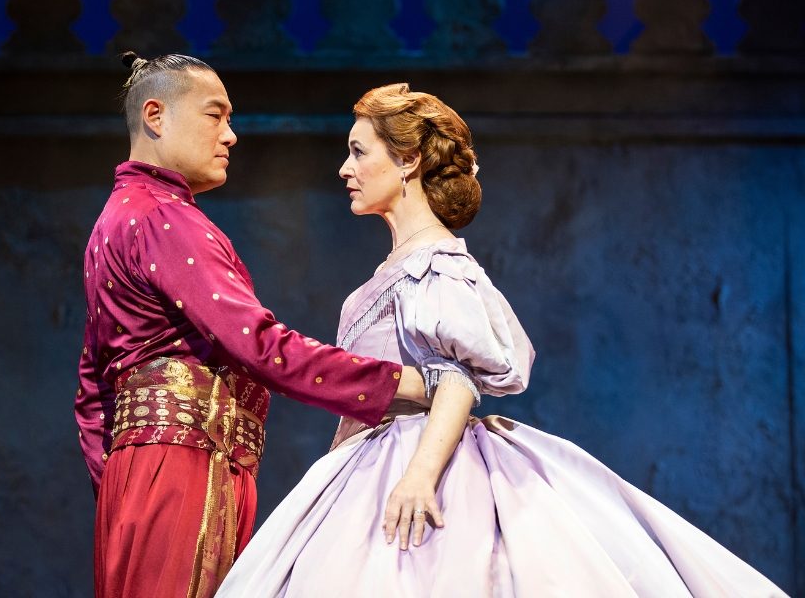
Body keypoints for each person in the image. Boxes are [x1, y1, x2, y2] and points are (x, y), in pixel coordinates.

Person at [216, 83, 788, 597]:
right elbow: (361, 402)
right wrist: (328, 484)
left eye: (359, 152)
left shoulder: (436, 267)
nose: (344, 168)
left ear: (409, 160)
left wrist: (420, 475)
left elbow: (459, 378)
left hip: (425, 459)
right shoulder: (393, 273)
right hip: (369, 466)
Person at [74, 56, 428, 598]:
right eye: (215, 116)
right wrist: (402, 384)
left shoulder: (118, 217)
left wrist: (127, 485)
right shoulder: (162, 219)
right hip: (183, 467)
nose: (231, 135)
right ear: (155, 115)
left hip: (149, 473)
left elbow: (92, 391)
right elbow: (260, 345)